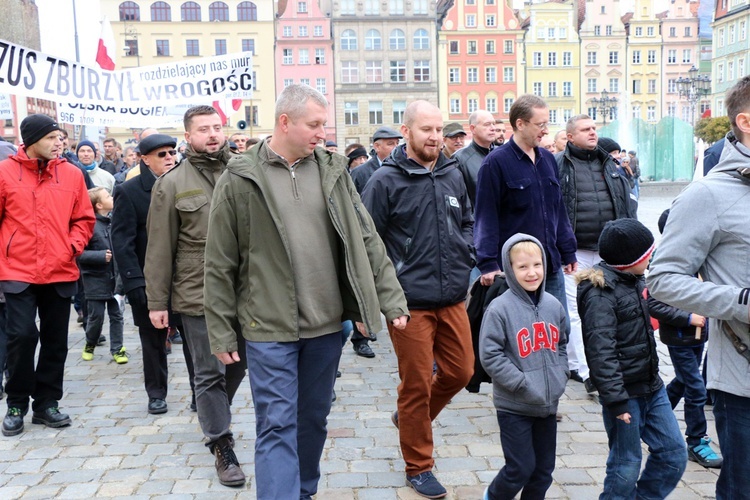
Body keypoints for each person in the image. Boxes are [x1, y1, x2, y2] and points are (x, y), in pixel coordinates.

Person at [203, 84, 408, 500]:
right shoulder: (240, 177)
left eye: (323, 124)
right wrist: (221, 331)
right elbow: (220, 261)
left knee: (313, 418)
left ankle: (304, 491)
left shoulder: (333, 169)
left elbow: (366, 238)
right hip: (268, 326)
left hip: (328, 325)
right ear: (285, 122)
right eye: (314, 124)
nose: (322, 132)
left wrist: (390, 298)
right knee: (277, 423)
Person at [361, 100, 474, 499]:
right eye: (426, 129)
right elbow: (368, 242)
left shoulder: (451, 171)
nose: (435, 137)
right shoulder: (385, 181)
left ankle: (409, 420)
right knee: (416, 385)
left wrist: (468, 253)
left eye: (438, 129)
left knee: (461, 372)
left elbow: (466, 220)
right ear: (406, 132)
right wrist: (375, 301)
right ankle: (419, 466)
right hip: (409, 303)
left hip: (453, 295)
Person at [648, 75, 750, 499]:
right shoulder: (708, 194)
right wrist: (740, 302)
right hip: (744, 379)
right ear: (746, 121)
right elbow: (661, 279)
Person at [145, 105, 247, 487]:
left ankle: (214, 410)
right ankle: (222, 445)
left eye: (217, 127)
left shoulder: (244, 168)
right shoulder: (171, 183)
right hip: (196, 292)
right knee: (208, 372)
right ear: (189, 137)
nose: (212, 134)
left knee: (238, 364)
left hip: (245, 289)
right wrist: (157, 302)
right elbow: (158, 248)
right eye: (203, 129)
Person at [578, 218, 687, 500]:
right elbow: (600, 352)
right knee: (625, 465)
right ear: (629, 261)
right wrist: (615, 401)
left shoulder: (635, 281)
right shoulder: (600, 295)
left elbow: (655, 307)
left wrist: (687, 316)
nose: (651, 258)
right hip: (624, 395)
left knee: (674, 454)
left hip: (652, 386)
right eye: (647, 254)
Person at [0, 114, 95, 437]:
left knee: (56, 341)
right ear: (32, 140)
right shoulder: (5, 173)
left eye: (61, 137)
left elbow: (84, 218)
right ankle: (15, 403)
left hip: (59, 269)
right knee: (22, 336)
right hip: (17, 270)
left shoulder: (72, 174)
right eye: (53, 137)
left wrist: (72, 245)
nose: (60, 143)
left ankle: (46, 404)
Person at [479, 234, 568, 500]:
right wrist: (521, 383)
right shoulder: (499, 309)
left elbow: (562, 344)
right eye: (523, 267)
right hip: (514, 406)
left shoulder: (554, 305)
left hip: (547, 405)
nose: (532, 273)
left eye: (537, 265)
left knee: (543, 471)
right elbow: (490, 355)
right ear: (509, 270)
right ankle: (493, 496)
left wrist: (560, 375)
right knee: (520, 467)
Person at [475, 94, 576, 323]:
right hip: (514, 270)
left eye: (547, 124)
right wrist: (488, 263)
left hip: (549, 265)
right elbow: (485, 216)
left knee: (559, 330)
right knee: (520, 333)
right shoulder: (495, 162)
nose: (545, 131)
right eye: (540, 125)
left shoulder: (548, 159)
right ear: (520, 124)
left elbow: (558, 210)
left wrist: (567, 249)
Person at [556, 115, 636, 392]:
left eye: (594, 129)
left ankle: (611, 364)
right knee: (576, 312)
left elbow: (626, 206)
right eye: (585, 130)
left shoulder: (612, 165)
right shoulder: (557, 165)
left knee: (608, 310)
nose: (592, 133)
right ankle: (584, 369)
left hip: (608, 253)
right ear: (569, 136)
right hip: (573, 252)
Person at [646, 209, 722, 469]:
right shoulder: (663, 262)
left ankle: (654, 420)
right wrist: (689, 318)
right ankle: (696, 440)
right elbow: (655, 304)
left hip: (698, 337)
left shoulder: (697, 257)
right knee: (696, 388)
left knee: (682, 381)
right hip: (678, 337)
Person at [112, 134, 179, 416]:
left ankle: (201, 394)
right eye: (161, 154)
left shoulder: (185, 185)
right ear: (145, 159)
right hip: (148, 278)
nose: (169, 158)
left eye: (172, 152)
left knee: (194, 341)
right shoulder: (130, 191)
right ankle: (156, 393)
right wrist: (134, 281)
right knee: (152, 341)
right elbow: (122, 241)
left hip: (185, 276)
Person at [79, 187, 128, 364]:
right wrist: (99, 256)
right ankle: (90, 342)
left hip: (116, 281)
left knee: (117, 316)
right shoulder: (88, 226)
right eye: (108, 196)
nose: (112, 197)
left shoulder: (115, 222)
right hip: (95, 281)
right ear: (99, 205)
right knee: (96, 317)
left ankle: (118, 349)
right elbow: (78, 253)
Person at [453, 109, 497, 208]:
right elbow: (458, 199)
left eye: (494, 124)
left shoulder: (503, 154)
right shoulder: (459, 159)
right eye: (487, 124)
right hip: (478, 221)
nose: (493, 128)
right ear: (473, 129)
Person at [349, 126, 402, 194]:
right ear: (377, 146)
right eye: (390, 144)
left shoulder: (404, 168)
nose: (396, 147)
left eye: (397, 143)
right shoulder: (359, 173)